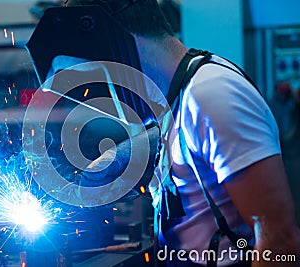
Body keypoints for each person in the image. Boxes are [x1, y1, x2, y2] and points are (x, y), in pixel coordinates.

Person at [62, 0, 300, 266]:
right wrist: (123, 157)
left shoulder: (210, 94)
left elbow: (280, 242)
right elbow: (189, 144)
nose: (102, 89)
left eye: (96, 69)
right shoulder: (173, 98)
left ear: (123, 44)